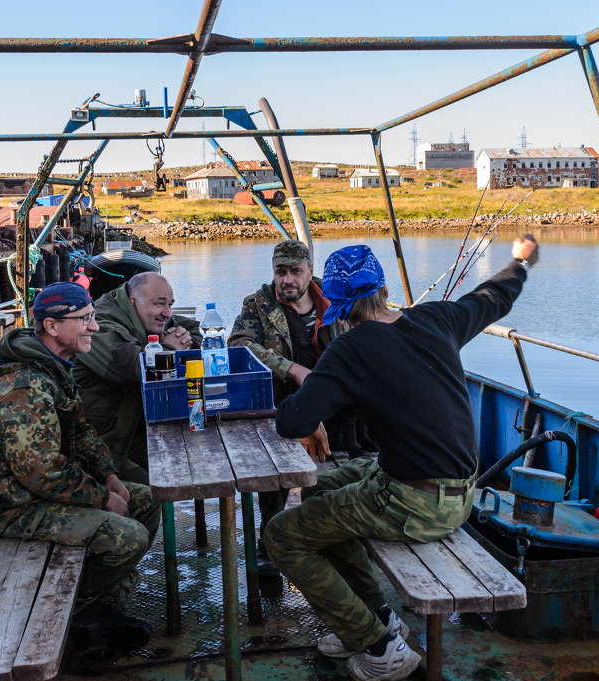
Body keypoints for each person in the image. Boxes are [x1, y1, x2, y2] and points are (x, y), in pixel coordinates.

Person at [264, 236, 539, 681]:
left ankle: (377, 645)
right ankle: (378, 615)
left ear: (336, 301)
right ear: (383, 289)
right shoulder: (439, 318)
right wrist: (520, 262)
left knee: (282, 535)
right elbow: (494, 296)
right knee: (325, 484)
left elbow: (292, 422)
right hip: (459, 493)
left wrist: (312, 410)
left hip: (413, 502)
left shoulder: (348, 349)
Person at [0, 281, 161, 651]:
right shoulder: (21, 385)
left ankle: (104, 602)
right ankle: (66, 611)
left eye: (94, 317)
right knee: (127, 537)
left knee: (146, 500)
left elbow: (82, 431)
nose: (95, 328)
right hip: (14, 507)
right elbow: (43, 473)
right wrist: (103, 499)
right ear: (52, 327)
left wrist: (110, 476)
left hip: (40, 492)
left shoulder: (53, 365)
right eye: (84, 320)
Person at [229, 238, 351, 584]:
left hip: (337, 406)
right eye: (280, 271)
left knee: (341, 475)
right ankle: (269, 550)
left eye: (295, 271)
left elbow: (365, 333)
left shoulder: (335, 299)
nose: (287, 279)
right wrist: (292, 370)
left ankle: (339, 545)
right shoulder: (258, 303)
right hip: (281, 408)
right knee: (274, 482)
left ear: (310, 271)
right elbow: (239, 344)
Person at [73, 271, 200, 483]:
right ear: (133, 302)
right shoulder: (101, 322)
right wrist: (169, 348)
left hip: (131, 428)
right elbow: (131, 368)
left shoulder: (143, 314)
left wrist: (186, 339)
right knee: (154, 490)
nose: (167, 313)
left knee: (191, 461)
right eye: (160, 304)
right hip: (99, 440)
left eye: (170, 304)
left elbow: (191, 328)